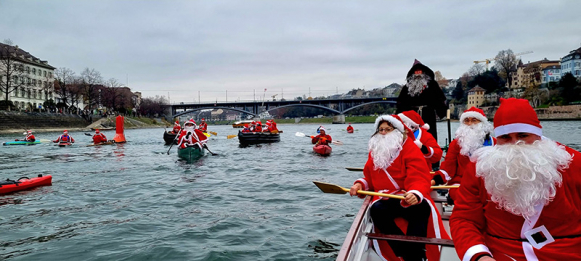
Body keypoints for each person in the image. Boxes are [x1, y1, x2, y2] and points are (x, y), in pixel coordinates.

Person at [450, 98, 581, 261]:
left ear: (537, 134)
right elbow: (464, 219)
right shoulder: (481, 168)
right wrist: (479, 256)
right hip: (503, 253)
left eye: (522, 135)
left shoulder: (573, 162)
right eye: (505, 137)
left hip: (564, 252)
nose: (515, 143)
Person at [349, 115, 449, 261]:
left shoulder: (409, 148)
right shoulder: (375, 151)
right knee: (377, 211)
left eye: (388, 129)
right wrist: (359, 185)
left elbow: (419, 175)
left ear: (398, 131)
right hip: (385, 197)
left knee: (421, 208)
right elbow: (369, 178)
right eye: (381, 129)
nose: (383, 133)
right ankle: (406, 251)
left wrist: (415, 193)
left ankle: (416, 252)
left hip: (406, 193)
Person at [432, 107, 495, 203]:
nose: (469, 124)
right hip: (462, 182)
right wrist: (434, 181)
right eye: (466, 120)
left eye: (474, 120)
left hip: (488, 183)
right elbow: (448, 167)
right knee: (464, 196)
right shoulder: (456, 144)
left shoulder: (494, 143)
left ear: (482, 123)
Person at [396, 59, 448, 142]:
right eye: (416, 71)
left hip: (428, 113)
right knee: (412, 136)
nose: (418, 73)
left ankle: (430, 150)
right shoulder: (407, 87)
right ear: (413, 73)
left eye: (419, 71)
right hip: (412, 116)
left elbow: (439, 98)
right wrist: (398, 116)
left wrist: (443, 111)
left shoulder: (432, 84)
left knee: (429, 135)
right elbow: (401, 102)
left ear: (423, 72)